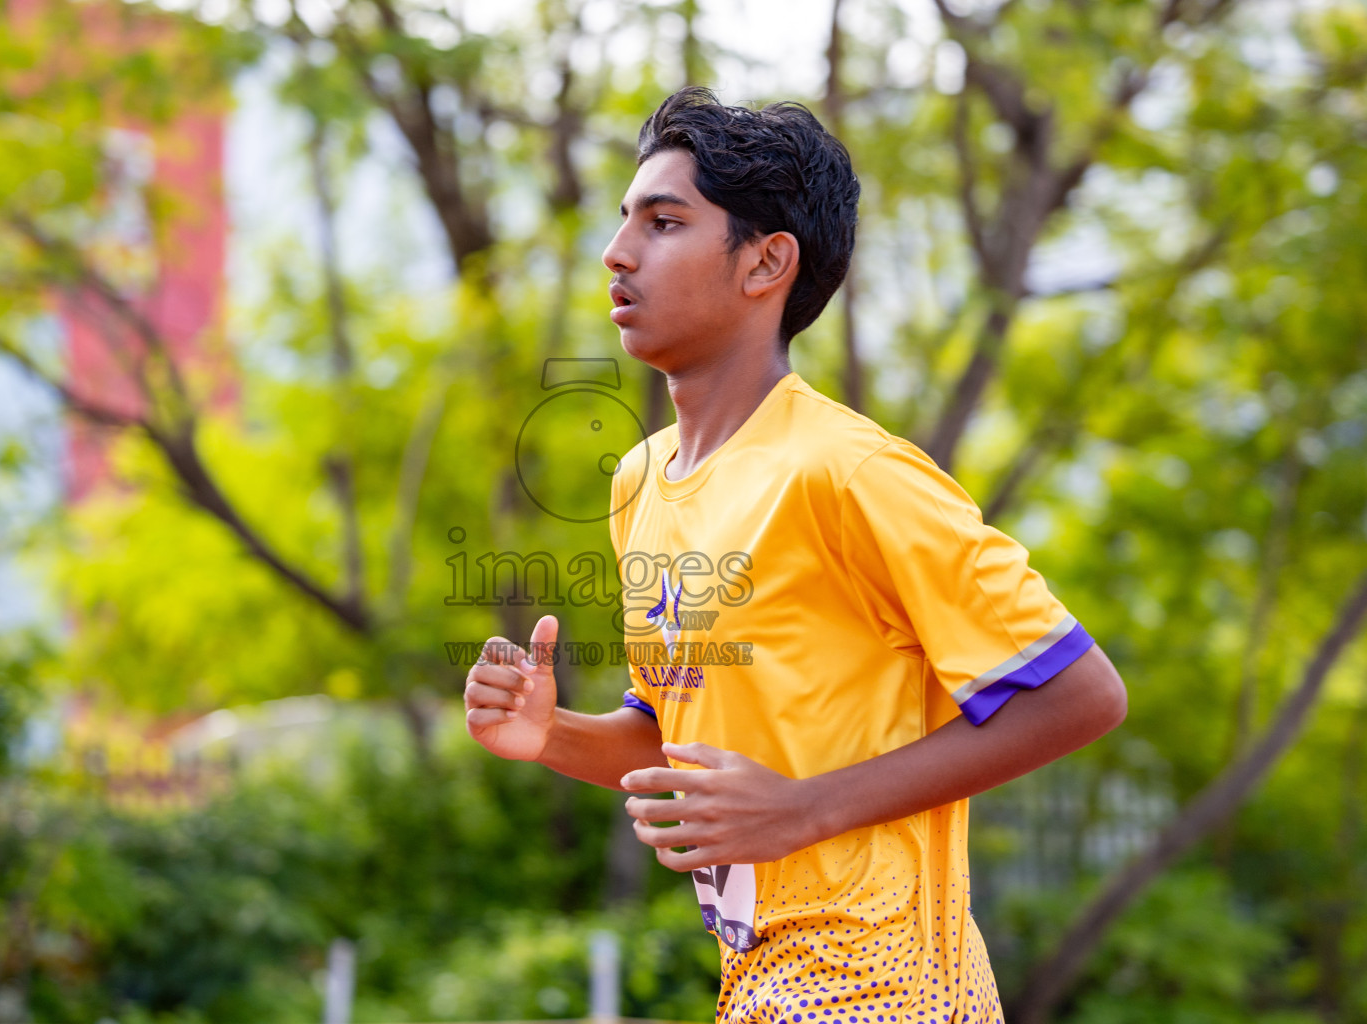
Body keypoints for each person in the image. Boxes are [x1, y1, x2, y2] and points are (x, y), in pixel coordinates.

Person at [461, 86, 1127, 1024]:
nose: (617, 253)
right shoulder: (642, 482)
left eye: (664, 222)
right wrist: (550, 735)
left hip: (887, 990)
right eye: (624, 223)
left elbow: (1083, 693)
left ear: (767, 262)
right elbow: (673, 745)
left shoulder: (852, 472)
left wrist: (805, 809)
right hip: (761, 987)